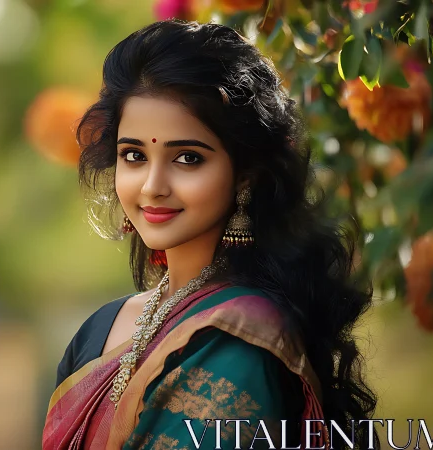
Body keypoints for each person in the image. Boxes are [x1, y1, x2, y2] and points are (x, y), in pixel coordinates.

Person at [42, 20, 379, 450]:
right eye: (134, 155)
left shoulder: (242, 338)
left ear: (245, 176)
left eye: (187, 157)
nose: (152, 185)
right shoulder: (99, 330)